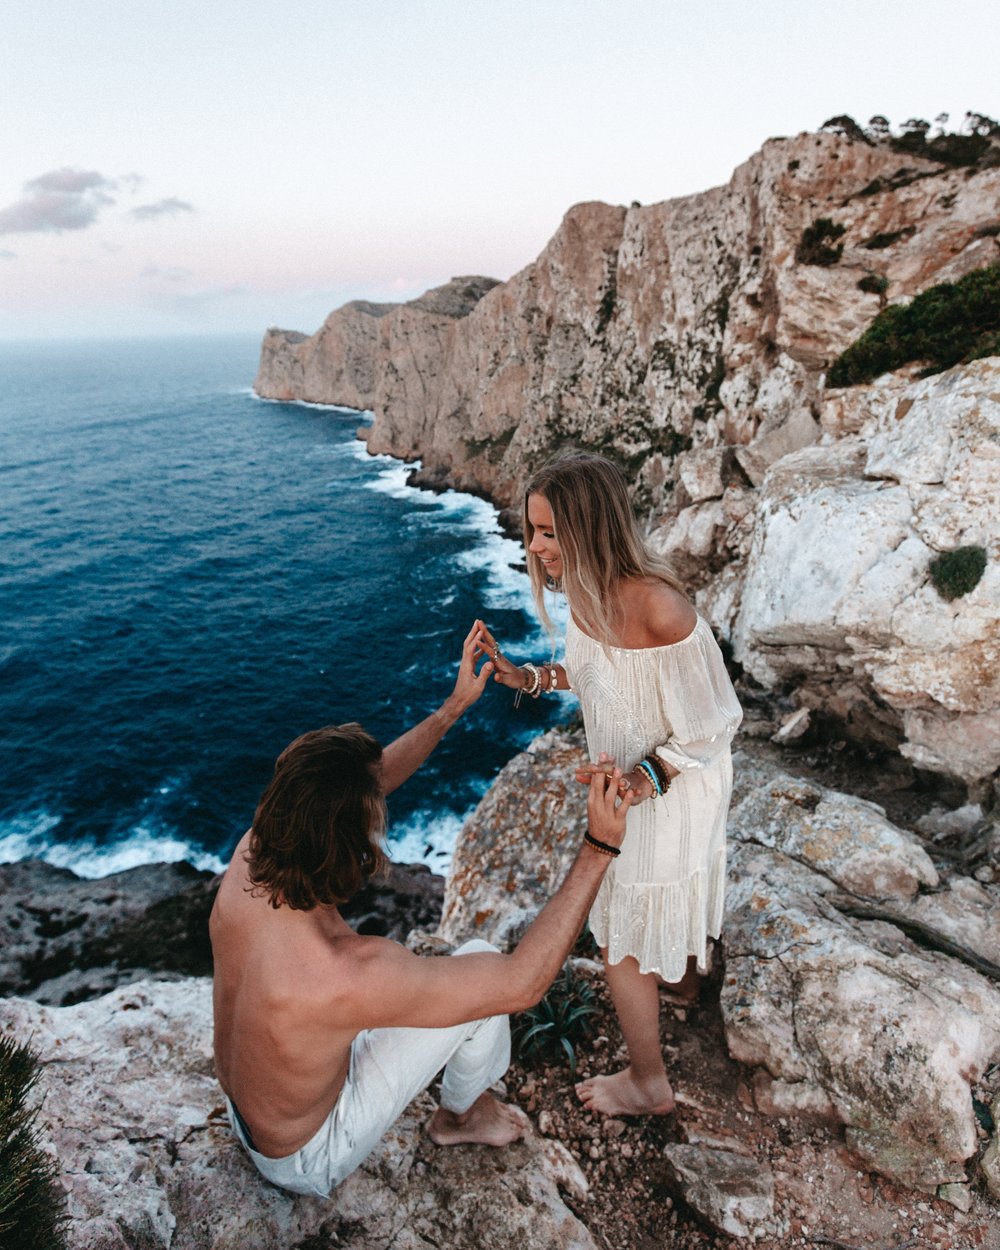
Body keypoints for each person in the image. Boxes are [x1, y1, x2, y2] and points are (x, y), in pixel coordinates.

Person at [210, 621, 635, 1197]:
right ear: (349, 843)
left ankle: (455, 1110)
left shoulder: (254, 851)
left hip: (248, 1108)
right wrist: (599, 845)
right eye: (371, 823)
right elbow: (521, 984)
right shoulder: (347, 970)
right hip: (303, 1155)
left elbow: (365, 783)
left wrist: (453, 707)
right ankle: (461, 1118)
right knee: (482, 968)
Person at [475, 451, 742, 1117]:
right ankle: (678, 987)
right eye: (531, 530)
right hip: (630, 791)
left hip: (673, 789)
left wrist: (643, 778)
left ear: (588, 529)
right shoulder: (584, 596)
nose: (532, 547)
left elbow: (714, 727)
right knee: (655, 907)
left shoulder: (659, 609)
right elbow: (592, 673)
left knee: (621, 935)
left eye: (546, 533)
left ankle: (649, 1083)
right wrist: (528, 678)